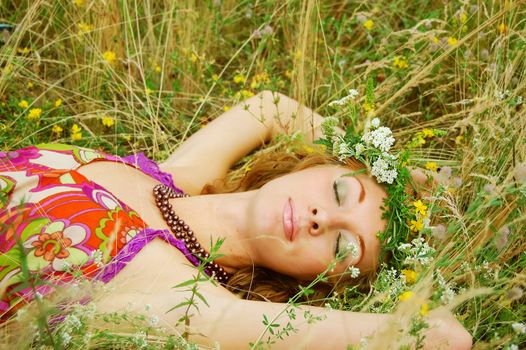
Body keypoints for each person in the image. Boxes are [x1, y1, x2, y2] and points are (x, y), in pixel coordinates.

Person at [0, 90, 472, 349]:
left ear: (324, 283)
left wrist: (427, 269)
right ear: (318, 163)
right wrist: (397, 173)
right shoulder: (173, 176)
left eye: (343, 246)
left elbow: (446, 339)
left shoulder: (182, 294)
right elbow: (272, 108)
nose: (320, 218)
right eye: (339, 191)